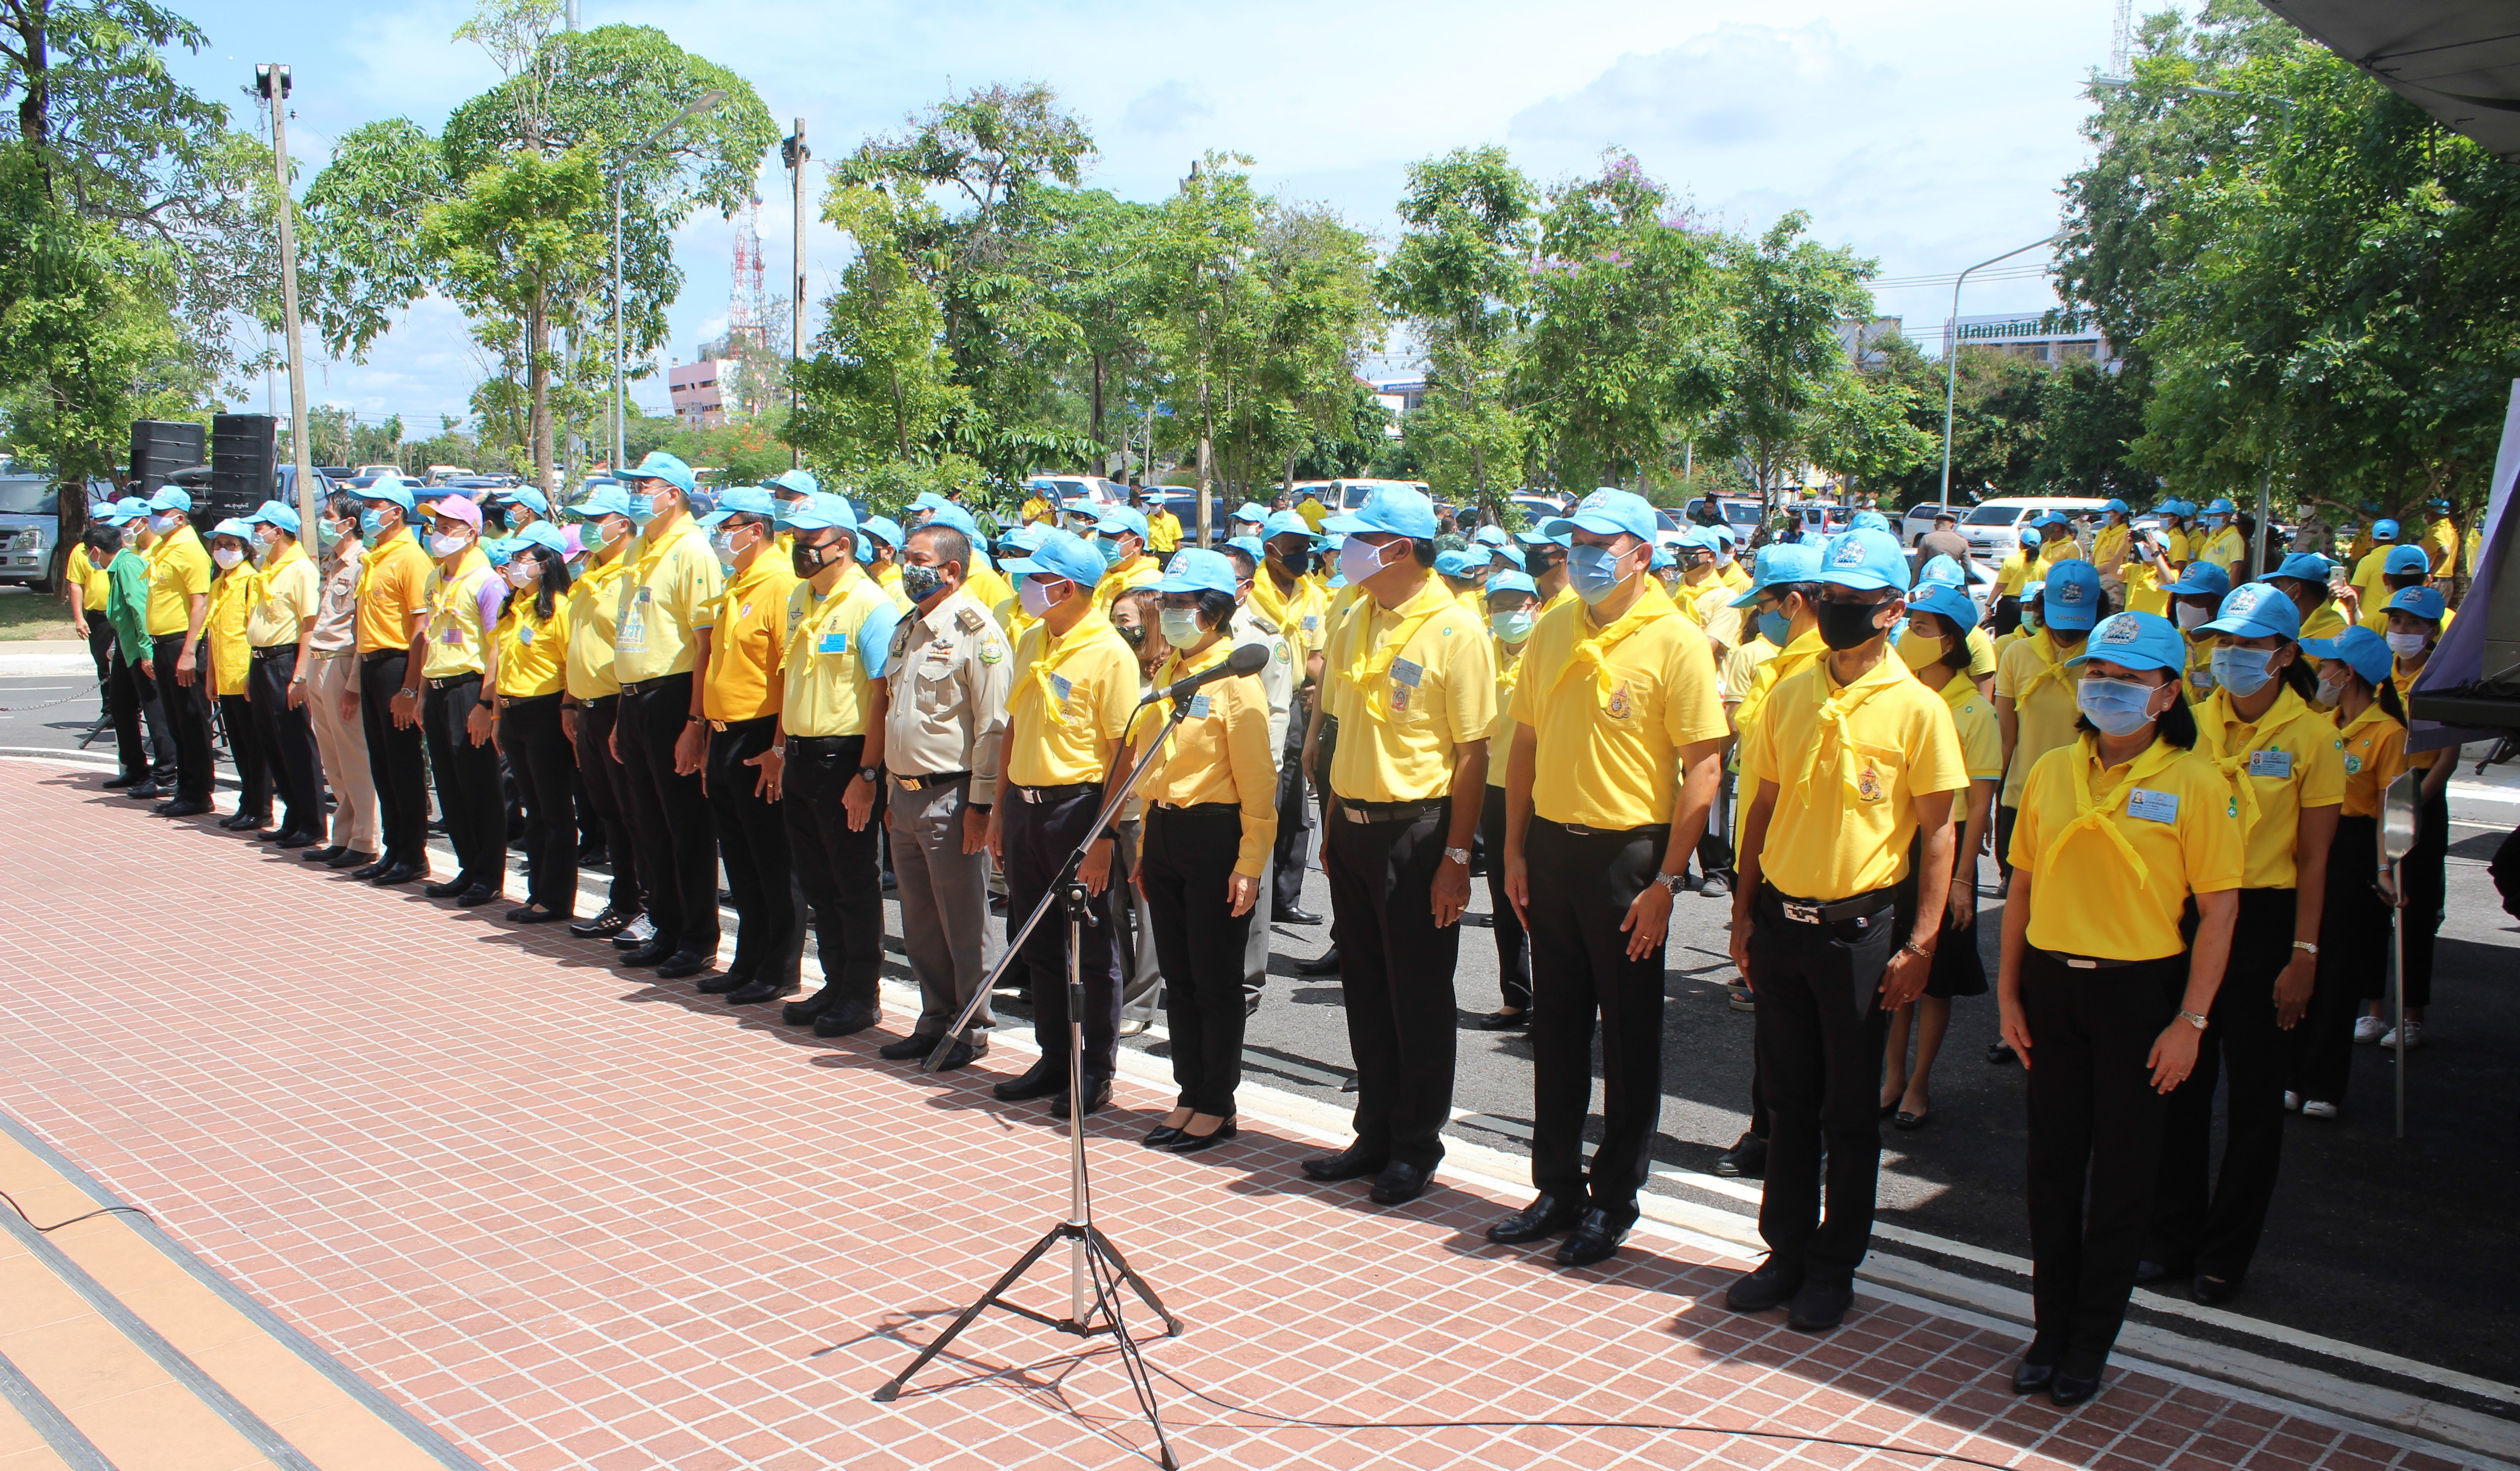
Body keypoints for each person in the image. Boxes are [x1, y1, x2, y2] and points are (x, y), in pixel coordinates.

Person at [1723, 527, 1964, 1333]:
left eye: (1854, 605)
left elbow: (1937, 831)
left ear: (1893, 611)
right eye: (1828, 600)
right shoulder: (1790, 691)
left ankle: (1834, 1263)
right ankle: (1783, 1250)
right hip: (1780, 923)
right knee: (1787, 1101)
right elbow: (1759, 805)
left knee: (1847, 1109)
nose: (1835, 615)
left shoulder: (1918, 710)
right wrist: (1740, 911)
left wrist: (1920, 941)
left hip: (1858, 932)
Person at [1998, 610, 2241, 1407]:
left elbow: (2218, 910)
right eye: (2098, 675)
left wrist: (2191, 1020)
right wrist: (2005, 992)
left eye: (2130, 680)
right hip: (2051, 983)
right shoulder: (2049, 771)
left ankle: (2088, 1339)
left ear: (2166, 694)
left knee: (2122, 1179)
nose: (2106, 689)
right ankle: (2047, 1327)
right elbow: (2021, 888)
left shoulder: (2197, 783)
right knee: (2049, 1170)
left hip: (2140, 994)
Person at [1489, 490, 1725, 1266]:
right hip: (1552, 849)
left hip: (1629, 859)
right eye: (1576, 543)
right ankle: (1555, 1185)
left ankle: (1613, 1196)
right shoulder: (1555, 624)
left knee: (1627, 1037)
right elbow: (1522, 743)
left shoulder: (1674, 640)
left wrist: (1667, 877)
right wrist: (1515, 848)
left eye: (1602, 545)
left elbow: (1703, 768)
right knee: (1554, 1029)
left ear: (1640, 555)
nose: (1584, 557)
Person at [2135, 581, 2338, 1306]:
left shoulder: (2313, 735)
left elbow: (2315, 858)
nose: (2230, 656)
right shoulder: (2190, 721)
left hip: (2263, 920)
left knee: (2253, 1099)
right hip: (2190, 911)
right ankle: (2169, 1235)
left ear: (2284, 655)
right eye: (2224, 642)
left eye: (2248, 645)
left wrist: (2303, 954)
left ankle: (2224, 1253)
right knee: (2175, 1080)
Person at [1301, 485, 1494, 1207]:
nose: (1347, 550)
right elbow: (1339, 728)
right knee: (1364, 987)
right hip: (1350, 825)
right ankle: (1374, 1127)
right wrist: (1328, 821)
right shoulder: (1355, 615)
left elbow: (1471, 752)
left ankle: (1416, 1143)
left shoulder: (1456, 629)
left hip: (1415, 831)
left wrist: (1454, 856)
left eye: (1363, 538)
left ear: (1401, 549)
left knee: (1415, 994)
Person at [1126, 549, 1279, 1154]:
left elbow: (1259, 785)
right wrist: (1146, 845)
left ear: (1214, 611)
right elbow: (1157, 761)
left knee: (1215, 980)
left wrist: (1249, 862)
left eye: (1183, 605)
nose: (1171, 614)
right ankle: (1189, 1092)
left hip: (1216, 835)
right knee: (1180, 977)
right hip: (1165, 830)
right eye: (1167, 603)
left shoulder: (1236, 681)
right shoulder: (1172, 673)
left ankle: (1217, 1102)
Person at [988, 529, 1143, 1116]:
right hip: (1026, 807)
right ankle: (1054, 1056)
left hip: (1077, 808)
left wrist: (1104, 834)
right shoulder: (1033, 637)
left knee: (1091, 946)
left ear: (1068, 587)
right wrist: (1002, 807)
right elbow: (1012, 729)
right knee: (1040, 940)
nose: (1025, 587)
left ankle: (1093, 1068)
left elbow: (1122, 751)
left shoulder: (1108, 652)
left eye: (1036, 578)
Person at [871, 515, 1007, 1056]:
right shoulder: (909, 625)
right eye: (907, 558)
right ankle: (934, 1017)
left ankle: (969, 1027)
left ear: (951, 570)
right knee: (919, 916)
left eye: (919, 561)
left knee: (963, 919)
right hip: (905, 793)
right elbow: (894, 713)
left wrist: (981, 805)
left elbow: (993, 727)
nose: (908, 568)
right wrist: (888, 792)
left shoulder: (977, 631)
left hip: (952, 794)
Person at [762, 493, 897, 1029]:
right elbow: (791, 679)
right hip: (800, 755)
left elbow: (881, 695)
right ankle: (833, 983)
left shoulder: (872, 605)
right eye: (795, 540)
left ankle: (861, 995)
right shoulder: (802, 598)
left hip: (844, 759)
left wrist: (868, 774)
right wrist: (778, 750)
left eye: (809, 542)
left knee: (853, 883)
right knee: (817, 882)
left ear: (842, 545)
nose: (799, 550)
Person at [1880, 583, 1999, 1131]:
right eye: (1910, 624)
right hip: (1894, 846)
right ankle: (1891, 1074)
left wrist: (1962, 877)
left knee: (1937, 974)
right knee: (1894, 969)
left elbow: (1977, 803)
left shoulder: (1974, 710)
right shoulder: (1895, 693)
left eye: (1923, 628)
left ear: (1950, 641)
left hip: (1943, 849)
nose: (1909, 635)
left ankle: (1920, 1080)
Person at [610, 452, 725, 979]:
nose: (635, 492)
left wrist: (695, 721)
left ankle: (698, 935)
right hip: (633, 694)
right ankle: (666, 924)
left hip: (673, 693)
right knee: (648, 822)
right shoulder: (642, 545)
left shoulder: (692, 551)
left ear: (673, 493)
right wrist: (619, 712)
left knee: (684, 824)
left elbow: (705, 644)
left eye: (644, 484)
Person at [2288, 626, 2407, 1117]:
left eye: (2327, 665)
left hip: (2355, 849)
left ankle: (2323, 1083)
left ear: (2348, 672)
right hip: (2312, 841)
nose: (2321, 673)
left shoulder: (2387, 733)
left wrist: (2386, 867)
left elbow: (2389, 807)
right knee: (2298, 957)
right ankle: (2292, 1072)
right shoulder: (2321, 723)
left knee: (2337, 968)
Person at [691, 486, 802, 1001]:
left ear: (755, 530)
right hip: (724, 734)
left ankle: (778, 967)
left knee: (771, 860)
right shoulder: (737, 581)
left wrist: (778, 749)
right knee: (739, 859)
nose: (720, 537)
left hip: (759, 736)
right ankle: (749, 958)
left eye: (727, 527)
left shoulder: (780, 582)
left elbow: (787, 672)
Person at [402, 493, 506, 905]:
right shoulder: (435, 578)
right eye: (436, 527)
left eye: (449, 528)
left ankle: (488, 873)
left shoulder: (487, 581)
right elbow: (429, 639)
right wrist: (422, 694)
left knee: (479, 783)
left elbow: (497, 646)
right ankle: (468, 865)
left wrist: (486, 704)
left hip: (470, 686)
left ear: (472, 534)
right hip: (439, 687)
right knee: (450, 783)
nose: (439, 535)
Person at [558, 485, 646, 939]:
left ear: (623, 524)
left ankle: (649, 905)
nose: (590, 529)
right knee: (608, 811)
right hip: (588, 706)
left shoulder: (631, 573)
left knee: (636, 812)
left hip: (620, 703)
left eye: (599, 519)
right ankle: (623, 900)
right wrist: (571, 701)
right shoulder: (587, 576)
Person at [2370, 586, 2452, 1049]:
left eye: (2412, 624)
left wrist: (2411, 806)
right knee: (2375, 907)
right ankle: (2374, 1009)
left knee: (2415, 911)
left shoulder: (2441, 680)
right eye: (2396, 621)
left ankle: (2412, 1014)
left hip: (2417, 800)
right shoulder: (2380, 676)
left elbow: (2446, 758)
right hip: (2378, 797)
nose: (2400, 631)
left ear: (2431, 631)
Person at [1995, 560, 2105, 894]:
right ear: (2043, 607)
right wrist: (1990, 799)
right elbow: (2005, 738)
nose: (2068, 631)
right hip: (2022, 799)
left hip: (2087, 804)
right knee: (2019, 899)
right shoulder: (2016, 653)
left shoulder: (2105, 659)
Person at [350, 477, 437, 886]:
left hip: (396, 664)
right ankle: (395, 846)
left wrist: (409, 687)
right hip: (371, 664)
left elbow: (421, 626)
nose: (367, 510)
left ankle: (413, 852)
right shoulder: (376, 556)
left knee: (402, 763)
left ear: (396, 511)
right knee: (382, 762)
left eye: (374, 503)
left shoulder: (410, 558)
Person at [490, 522, 577, 923]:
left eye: (524, 558)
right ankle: (537, 891)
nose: (514, 565)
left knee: (553, 809)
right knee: (533, 809)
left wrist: (567, 710)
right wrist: (495, 714)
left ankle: (556, 898)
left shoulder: (560, 608)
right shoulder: (514, 607)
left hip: (545, 712)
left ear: (546, 564)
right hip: (512, 712)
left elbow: (571, 666)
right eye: (513, 558)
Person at [290, 496, 375, 869]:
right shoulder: (330, 563)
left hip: (342, 663)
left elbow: (361, 630)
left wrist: (353, 684)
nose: (324, 524)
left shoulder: (361, 563)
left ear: (349, 522)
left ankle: (366, 838)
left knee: (354, 756)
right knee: (333, 758)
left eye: (329, 518)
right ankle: (343, 834)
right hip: (320, 662)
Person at [1253, 510, 1330, 927]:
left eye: (1306, 548)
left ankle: (1286, 896)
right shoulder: (1248, 591)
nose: (1303, 555)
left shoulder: (1312, 595)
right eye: (1295, 548)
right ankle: (1254, 891)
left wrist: (1331, 685)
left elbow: (1315, 658)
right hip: (1256, 703)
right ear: (1271, 549)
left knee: (1295, 808)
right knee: (1260, 801)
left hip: (1296, 709)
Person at [1473, 570, 1540, 1030]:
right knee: (1503, 896)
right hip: (1494, 788)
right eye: (1498, 606)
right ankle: (1516, 996)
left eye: (1516, 604)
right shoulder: (1482, 651)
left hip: (1545, 789)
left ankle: (1557, 1004)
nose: (1507, 614)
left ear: (1535, 606)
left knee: (1546, 901)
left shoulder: (1548, 649)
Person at [239, 501, 323, 849]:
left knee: (295, 742)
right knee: (272, 741)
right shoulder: (266, 567)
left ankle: (312, 820)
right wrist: (249, 670)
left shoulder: (300, 568)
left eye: (261, 527)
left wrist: (300, 675)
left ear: (279, 531)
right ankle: (293, 815)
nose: (257, 534)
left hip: (285, 660)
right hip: (261, 661)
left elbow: (309, 624)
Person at [140, 488, 216, 817]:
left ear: (181, 517)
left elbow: (200, 603)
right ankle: (185, 788)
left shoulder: (190, 550)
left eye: (162, 511)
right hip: (162, 642)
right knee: (175, 721)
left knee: (191, 719)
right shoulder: (164, 546)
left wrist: (189, 651)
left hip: (180, 642)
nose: (155, 517)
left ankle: (199, 792)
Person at [93, 508, 177, 795]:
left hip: (140, 649)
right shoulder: (118, 566)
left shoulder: (128, 565)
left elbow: (141, 609)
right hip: (126, 648)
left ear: (95, 550)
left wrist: (147, 652)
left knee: (155, 711)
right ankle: (134, 767)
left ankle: (167, 773)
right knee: (121, 705)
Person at [203, 519, 270, 833]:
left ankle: (260, 807)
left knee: (255, 745)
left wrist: (249, 677)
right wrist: (211, 677)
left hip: (244, 675)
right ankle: (248, 803)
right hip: (225, 676)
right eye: (218, 545)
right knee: (240, 746)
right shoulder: (220, 583)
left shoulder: (250, 582)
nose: (223, 550)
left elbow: (252, 631)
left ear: (246, 549)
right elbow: (214, 634)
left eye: (231, 545)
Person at [1085, 504, 1164, 612]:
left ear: (1137, 543)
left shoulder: (1156, 584)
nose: (1103, 541)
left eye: (1112, 537)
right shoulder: (1098, 578)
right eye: (1102, 535)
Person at [1991, 527, 2041, 635]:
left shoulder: (2011, 561)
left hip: (2009, 607)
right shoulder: (2046, 565)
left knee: (2003, 641)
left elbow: (2000, 586)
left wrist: (1988, 604)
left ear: (2021, 544)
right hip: (2033, 606)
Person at [2195, 499, 2247, 580]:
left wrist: (2230, 591)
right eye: (2211, 515)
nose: (2212, 518)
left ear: (2228, 517)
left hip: (2222, 588)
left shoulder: (2235, 538)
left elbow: (2236, 570)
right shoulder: (2212, 537)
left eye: (2217, 515)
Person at [1912, 508, 1970, 578]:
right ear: (1952, 526)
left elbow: (1918, 566)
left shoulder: (1927, 539)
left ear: (1935, 526)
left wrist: (1914, 586)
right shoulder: (1962, 542)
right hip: (1951, 583)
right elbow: (1968, 568)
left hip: (1931, 581)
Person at [1142, 493, 1184, 564]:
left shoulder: (1173, 519)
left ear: (1162, 506)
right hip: (1151, 554)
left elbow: (1177, 541)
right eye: (1151, 505)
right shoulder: (1146, 520)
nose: (1152, 507)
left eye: (1155, 505)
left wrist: (1178, 558)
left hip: (1168, 555)